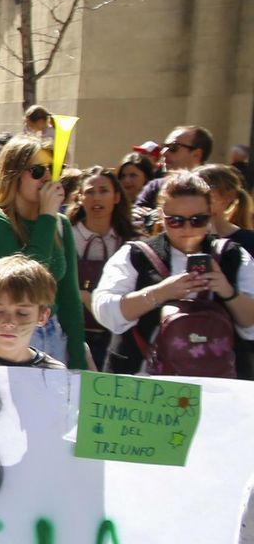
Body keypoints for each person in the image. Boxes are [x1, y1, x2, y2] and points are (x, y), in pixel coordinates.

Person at [93, 171, 254, 377]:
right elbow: (105, 310)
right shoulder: (136, 255)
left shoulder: (233, 255)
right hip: (143, 386)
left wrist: (227, 292)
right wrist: (160, 292)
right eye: (176, 221)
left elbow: (250, 325)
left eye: (198, 220)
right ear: (162, 216)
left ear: (211, 214)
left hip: (218, 389)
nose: (187, 228)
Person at [0, 136, 89, 369]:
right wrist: (47, 216)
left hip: (49, 334)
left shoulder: (59, 224)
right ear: (13, 175)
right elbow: (29, 282)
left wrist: (78, 361)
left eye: (54, 171)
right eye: (37, 171)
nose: (47, 179)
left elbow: (69, 297)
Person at [67, 167, 139, 365]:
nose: (96, 198)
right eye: (89, 192)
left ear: (116, 197)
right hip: (71, 334)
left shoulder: (132, 242)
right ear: (80, 197)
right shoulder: (64, 235)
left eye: (103, 191)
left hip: (115, 337)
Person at [135, 124, 214, 212]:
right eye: (164, 147)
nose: (164, 153)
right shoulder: (154, 187)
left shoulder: (214, 188)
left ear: (197, 154)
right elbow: (136, 214)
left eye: (173, 147)